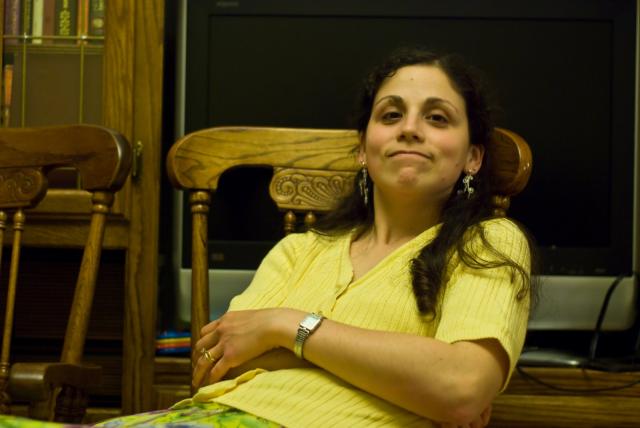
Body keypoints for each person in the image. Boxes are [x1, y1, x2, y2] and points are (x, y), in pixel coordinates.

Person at [1, 47, 535, 428]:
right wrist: (408, 372)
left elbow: (460, 388)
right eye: (391, 114)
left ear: (473, 157)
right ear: (363, 149)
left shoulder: (489, 243)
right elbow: (214, 366)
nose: (410, 128)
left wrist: (284, 327)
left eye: (437, 117)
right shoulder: (299, 250)